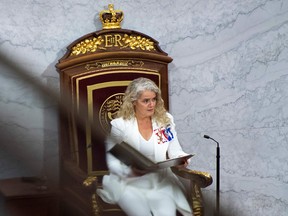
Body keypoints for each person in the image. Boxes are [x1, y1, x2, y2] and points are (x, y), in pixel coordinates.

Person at [97, 77, 192, 216]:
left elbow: (175, 151)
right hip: (128, 183)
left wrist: (181, 159)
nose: (151, 104)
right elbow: (113, 161)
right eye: (146, 101)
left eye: (154, 99)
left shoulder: (165, 120)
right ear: (133, 102)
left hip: (160, 180)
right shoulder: (120, 125)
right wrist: (131, 172)